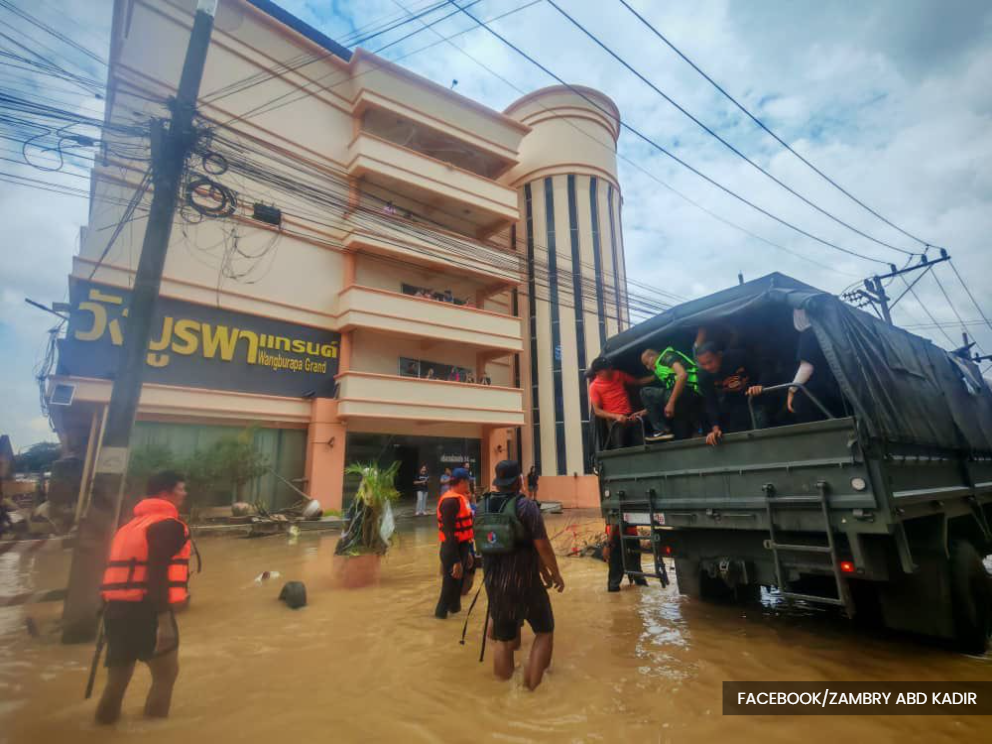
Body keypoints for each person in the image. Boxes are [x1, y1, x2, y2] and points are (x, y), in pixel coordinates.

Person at [95, 470, 191, 725]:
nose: (185, 494)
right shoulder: (168, 525)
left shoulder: (128, 527)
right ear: (165, 494)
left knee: (116, 684)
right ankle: (154, 731)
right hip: (148, 611)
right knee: (166, 675)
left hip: (116, 611)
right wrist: (165, 623)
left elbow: (112, 573)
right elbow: (156, 573)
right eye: (181, 489)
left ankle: (101, 731)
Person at [478, 460, 564, 690]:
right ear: (519, 480)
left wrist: (543, 570)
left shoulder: (480, 506)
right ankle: (531, 691)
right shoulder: (526, 507)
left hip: (494, 584)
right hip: (524, 583)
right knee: (544, 631)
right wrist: (555, 574)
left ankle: (503, 694)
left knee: (503, 641)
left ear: (497, 482)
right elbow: (541, 546)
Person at [694, 342, 764, 446]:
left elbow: (764, 370)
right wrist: (715, 427)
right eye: (703, 364)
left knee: (760, 421)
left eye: (710, 362)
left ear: (719, 355)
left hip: (756, 399)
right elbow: (710, 402)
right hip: (733, 406)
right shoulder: (704, 375)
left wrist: (760, 385)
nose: (708, 367)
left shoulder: (738, 356)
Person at [638, 347, 704, 441]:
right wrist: (646, 410)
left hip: (690, 391)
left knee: (645, 392)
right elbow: (661, 394)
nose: (648, 367)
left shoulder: (666, 356)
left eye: (647, 363)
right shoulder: (661, 370)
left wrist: (671, 403)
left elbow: (682, 375)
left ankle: (660, 430)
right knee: (680, 436)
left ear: (652, 356)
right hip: (687, 399)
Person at [435, 468, 475, 619]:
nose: (469, 486)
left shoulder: (461, 497)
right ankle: (440, 615)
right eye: (467, 482)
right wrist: (456, 560)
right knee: (449, 585)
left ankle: (455, 610)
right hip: (452, 548)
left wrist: (468, 553)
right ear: (462, 482)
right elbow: (449, 534)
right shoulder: (450, 502)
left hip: (462, 546)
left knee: (458, 584)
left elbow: (464, 530)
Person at [586, 356, 646, 449]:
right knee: (619, 448)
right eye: (607, 369)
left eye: (610, 367)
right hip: (614, 421)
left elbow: (637, 382)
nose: (610, 369)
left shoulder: (618, 374)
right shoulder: (594, 387)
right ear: (599, 372)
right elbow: (597, 411)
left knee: (639, 444)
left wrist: (655, 376)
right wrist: (616, 416)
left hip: (631, 415)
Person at [601, 523, 647, 591]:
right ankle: (642, 594)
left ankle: (614, 601)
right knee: (637, 572)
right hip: (632, 537)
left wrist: (608, 544)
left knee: (614, 583)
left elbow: (615, 522)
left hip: (618, 538)